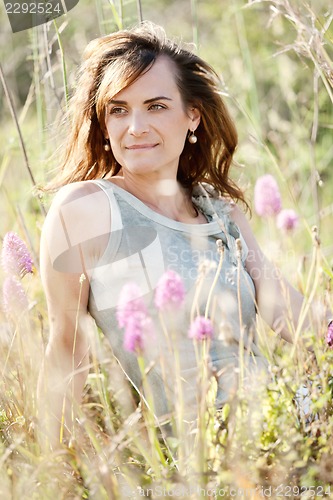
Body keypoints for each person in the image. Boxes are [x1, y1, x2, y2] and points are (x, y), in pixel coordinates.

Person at [37, 22, 329, 448]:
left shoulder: (220, 211)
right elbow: (65, 348)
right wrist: (51, 474)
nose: (134, 126)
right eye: (118, 109)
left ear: (192, 114)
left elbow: (290, 311)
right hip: (200, 455)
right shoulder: (85, 209)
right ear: (102, 122)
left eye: (155, 106)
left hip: (285, 425)